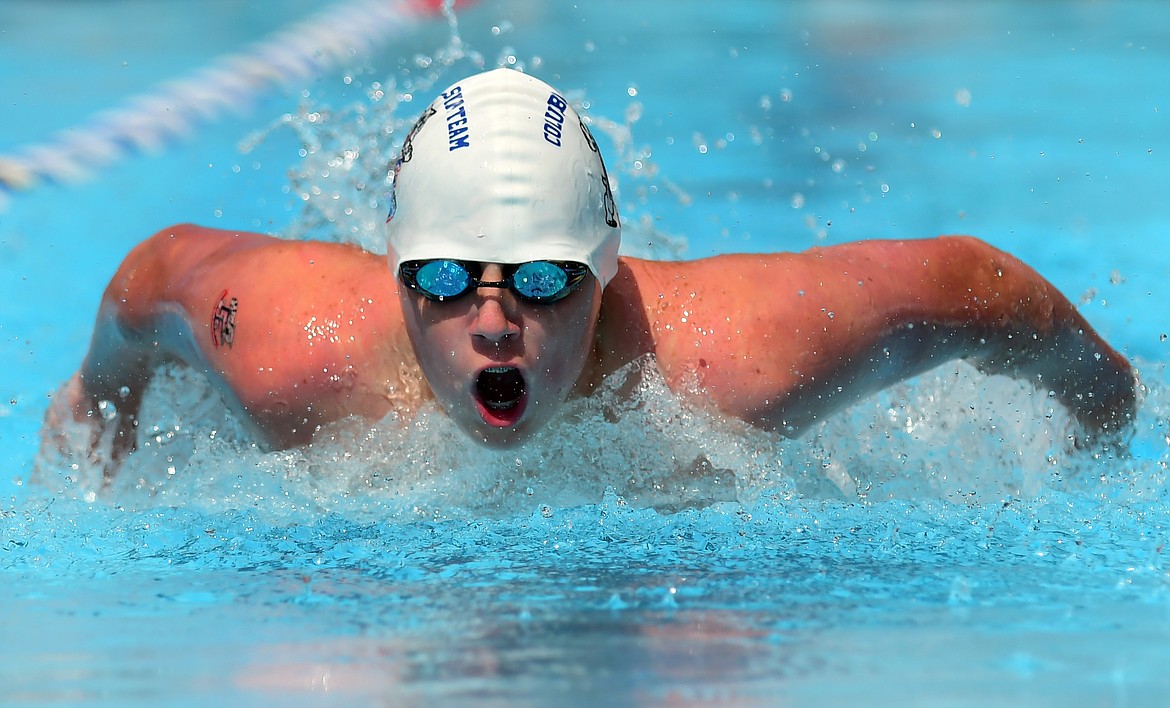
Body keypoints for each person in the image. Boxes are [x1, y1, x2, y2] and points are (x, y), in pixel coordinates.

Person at [44, 68, 1137, 475]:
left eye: (543, 282)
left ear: (607, 273)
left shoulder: (732, 359)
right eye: (444, 280)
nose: (494, 323)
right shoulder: (287, 347)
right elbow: (152, 279)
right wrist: (103, 394)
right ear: (394, 273)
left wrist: (1107, 404)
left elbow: (970, 284)